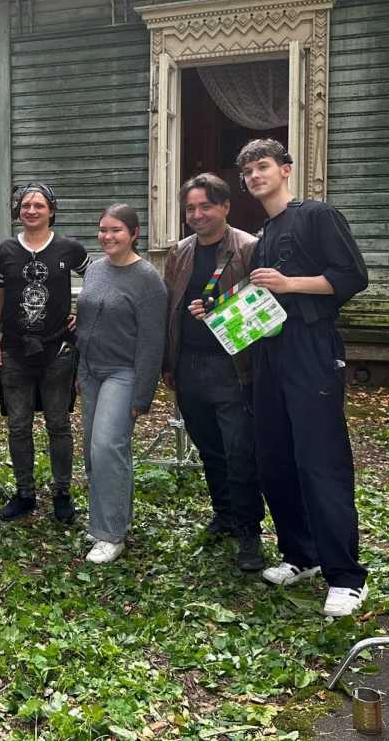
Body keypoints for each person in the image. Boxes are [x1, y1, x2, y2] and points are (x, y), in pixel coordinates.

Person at [235, 137, 369, 617]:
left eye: (263, 166)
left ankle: (347, 577)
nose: (255, 176)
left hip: (311, 351)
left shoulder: (317, 216)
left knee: (320, 459)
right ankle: (301, 554)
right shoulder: (265, 233)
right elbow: (264, 303)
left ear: (287, 169)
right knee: (276, 456)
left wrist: (290, 284)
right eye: (248, 171)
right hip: (270, 353)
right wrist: (222, 313)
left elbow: (352, 277)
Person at [162, 173, 264, 573]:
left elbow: (261, 307)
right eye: (190, 208)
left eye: (205, 206)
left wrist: (219, 309)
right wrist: (169, 364)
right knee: (209, 448)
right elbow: (172, 309)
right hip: (189, 365)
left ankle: (249, 531)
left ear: (225, 206)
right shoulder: (179, 253)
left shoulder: (248, 248)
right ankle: (223, 514)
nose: (197, 214)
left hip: (231, 367)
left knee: (240, 451)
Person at [0, 182, 89, 524]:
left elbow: (100, 278)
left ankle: (62, 493)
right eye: (25, 205)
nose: (31, 211)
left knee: (59, 425)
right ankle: (25, 493)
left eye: (38, 205)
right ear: (18, 212)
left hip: (57, 349)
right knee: (18, 426)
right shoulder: (4, 251)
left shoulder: (68, 249)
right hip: (15, 349)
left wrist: (82, 314)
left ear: (52, 210)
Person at [76, 204, 167, 564]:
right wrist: (81, 369)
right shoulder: (96, 270)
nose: (108, 237)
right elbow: (86, 320)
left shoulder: (147, 279)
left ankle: (110, 535)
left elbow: (151, 341)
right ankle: (111, 519)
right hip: (91, 372)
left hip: (123, 373)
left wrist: (142, 394)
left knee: (106, 447)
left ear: (134, 234)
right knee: (95, 451)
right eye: (103, 230)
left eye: (116, 230)